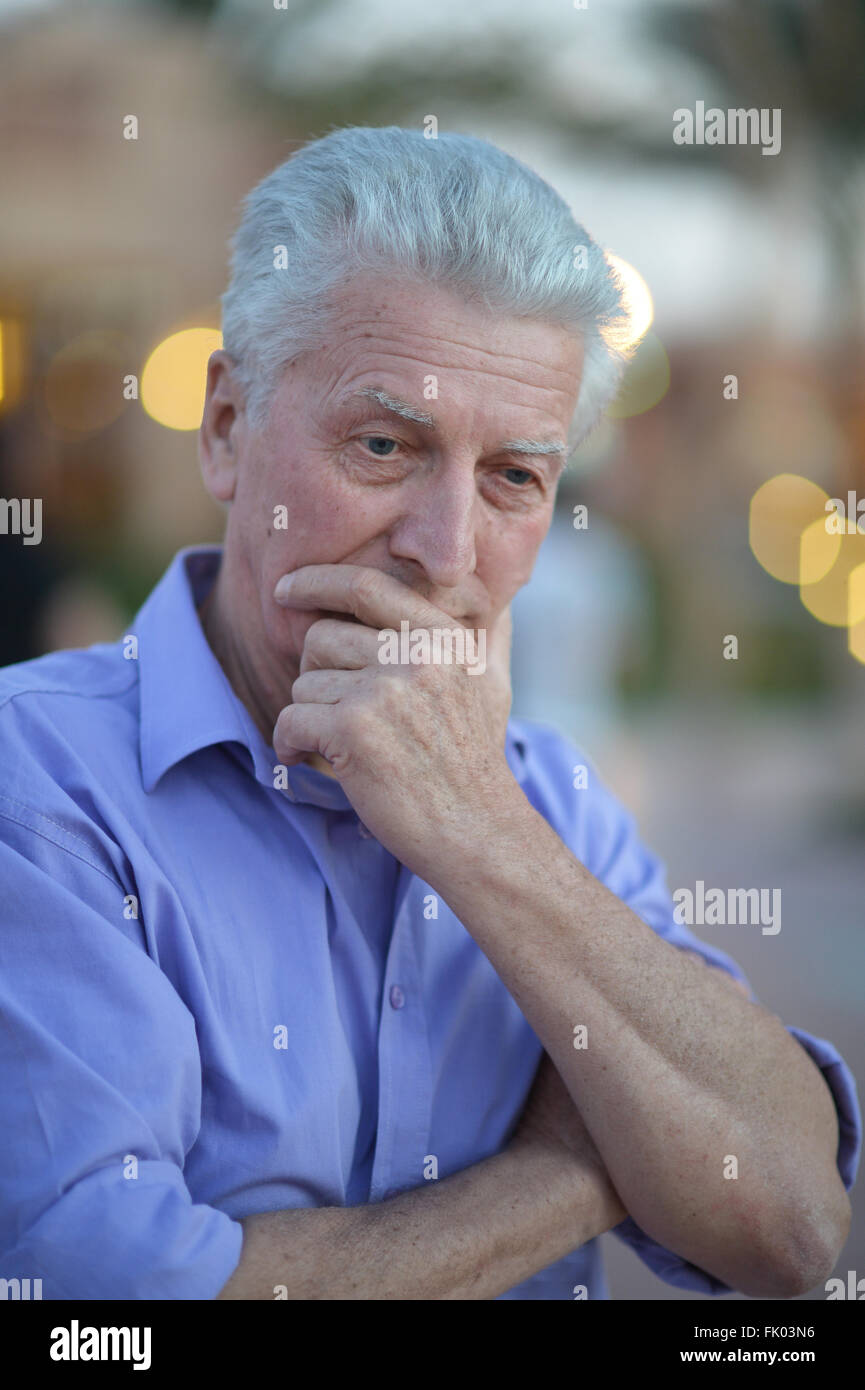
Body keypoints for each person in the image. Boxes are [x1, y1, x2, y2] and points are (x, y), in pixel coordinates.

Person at [0, 127, 858, 1301]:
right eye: (385, 444)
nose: (444, 551)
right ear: (226, 428)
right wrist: (573, 1166)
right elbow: (108, 1312)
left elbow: (799, 1232)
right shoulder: (37, 781)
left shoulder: (545, 799)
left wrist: (481, 832)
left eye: (513, 476)